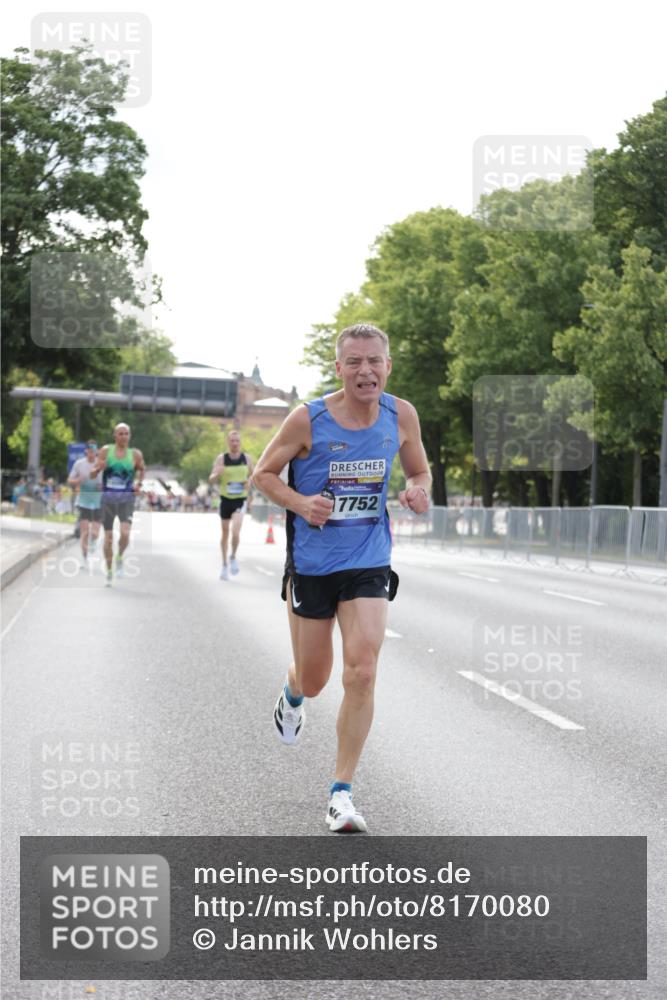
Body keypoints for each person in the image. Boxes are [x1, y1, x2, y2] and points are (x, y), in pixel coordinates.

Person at [253, 323, 431, 833]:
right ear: (339, 369)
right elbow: (261, 475)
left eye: (374, 361)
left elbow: (419, 471)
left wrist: (419, 490)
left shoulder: (402, 415)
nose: (365, 371)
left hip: (368, 559)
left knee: (363, 670)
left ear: (387, 366)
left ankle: (341, 794)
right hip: (312, 564)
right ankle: (291, 691)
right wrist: (300, 502)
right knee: (314, 678)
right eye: (354, 362)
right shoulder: (307, 419)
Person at [90, 423, 145, 586]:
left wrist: (138, 485)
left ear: (130, 436)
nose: (123, 436)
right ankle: (109, 570)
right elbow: (93, 475)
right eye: (120, 434)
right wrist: (98, 469)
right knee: (108, 538)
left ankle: (120, 556)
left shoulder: (135, 454)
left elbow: (142, 469)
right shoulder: (106, 451)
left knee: (125, 533)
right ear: (115, 436)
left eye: (126, 433)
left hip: (126, 499)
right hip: (107, 500)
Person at [209, 430, 254, 581]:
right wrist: (217, 474)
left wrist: (249, 483)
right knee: (225, 533)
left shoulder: (246, 459)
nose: (235, 443)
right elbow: (211, 480)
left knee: (236, 531)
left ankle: (233, 556)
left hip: (240, 500)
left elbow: (254, 476)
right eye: (232, 441)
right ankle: (224, 565)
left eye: (237, 441)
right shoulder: (221, 459)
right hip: (225, 499)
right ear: (228, 442)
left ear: (240, 443)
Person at [67, 441, 103, 567]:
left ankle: (93, 542)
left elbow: (107, 483)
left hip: (98, 502)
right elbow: (70, 480)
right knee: (84, 532)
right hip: (83, 501)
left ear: (97, 451)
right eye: (90, 450)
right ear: (86, 451)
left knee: (94, 533)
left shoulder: (101, 464)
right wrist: (78, 480)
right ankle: (84, 558)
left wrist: (101, 487)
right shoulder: (79, 464)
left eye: (94, 450)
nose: (92, 452)